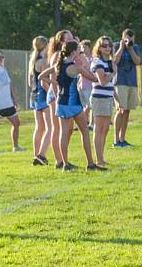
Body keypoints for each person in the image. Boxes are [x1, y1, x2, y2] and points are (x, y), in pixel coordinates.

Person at [39, 41, 105, 171]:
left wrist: (56, 83)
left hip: (61, 103)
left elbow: (41, 76)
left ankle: (65, 164)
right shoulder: (76, 67)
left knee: (63, 133)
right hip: (73, 104)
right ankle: (90, 164)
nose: (80, 53)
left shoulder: (58, 65)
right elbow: (94, 79)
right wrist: (85, 66)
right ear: (73, 52)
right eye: (78, 51)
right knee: (85, 132)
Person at [45, 30, 75, 168]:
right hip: (57, 95)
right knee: (57, 129)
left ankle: (64, 158)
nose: (72, 39)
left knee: (68, 129)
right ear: (61, 41)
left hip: (66, 95)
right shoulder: (57, 55)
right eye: (69, 38)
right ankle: (59, 161)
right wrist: (58, 96)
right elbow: (53, 78)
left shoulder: (70, 54)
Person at [89, 36, 117, 167]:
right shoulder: (97, 62)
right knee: (99, 129)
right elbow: (103, 81)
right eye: (105, 45)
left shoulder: (110, 62)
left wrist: (117, 100)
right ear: (99, 48)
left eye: (109, 45)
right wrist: (112, 73)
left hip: (108, 98)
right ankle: (98, 160)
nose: (108, 48)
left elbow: (110, 85)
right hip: (99, 98)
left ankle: (101, 158)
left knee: (105, 129)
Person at [113, 29, 141, 147]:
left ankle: (122, 138)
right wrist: (121, 47)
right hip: (120, 82)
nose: (130, 40)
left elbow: (138, 61)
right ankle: (116, 141)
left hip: (132, 82)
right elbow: (114, 60)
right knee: (120, 109)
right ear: (122, 37)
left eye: (132, 38)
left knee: (127, 110)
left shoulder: (135, 48)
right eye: (127, 38)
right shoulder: (115, 45)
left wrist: (130, 49)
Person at [28, 36, 51, 165]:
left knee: (39, 128)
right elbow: (43, 81)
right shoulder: (44, 61)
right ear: (45, 45)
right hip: (43, 95)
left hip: (34, 95)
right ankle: (41, 155)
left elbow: (29, 82)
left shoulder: (32, 61)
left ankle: (36, 155)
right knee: (50, 128)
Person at [78, 39, 94, 131]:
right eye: (81, 47)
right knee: (87, 106)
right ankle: (83, 123)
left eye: (84, 47)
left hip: (91, 85)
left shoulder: (93, 58)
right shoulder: (80, 58)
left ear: (88, 48)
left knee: (91, 106)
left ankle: (91, 124)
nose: (83, 49)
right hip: (83, 85)